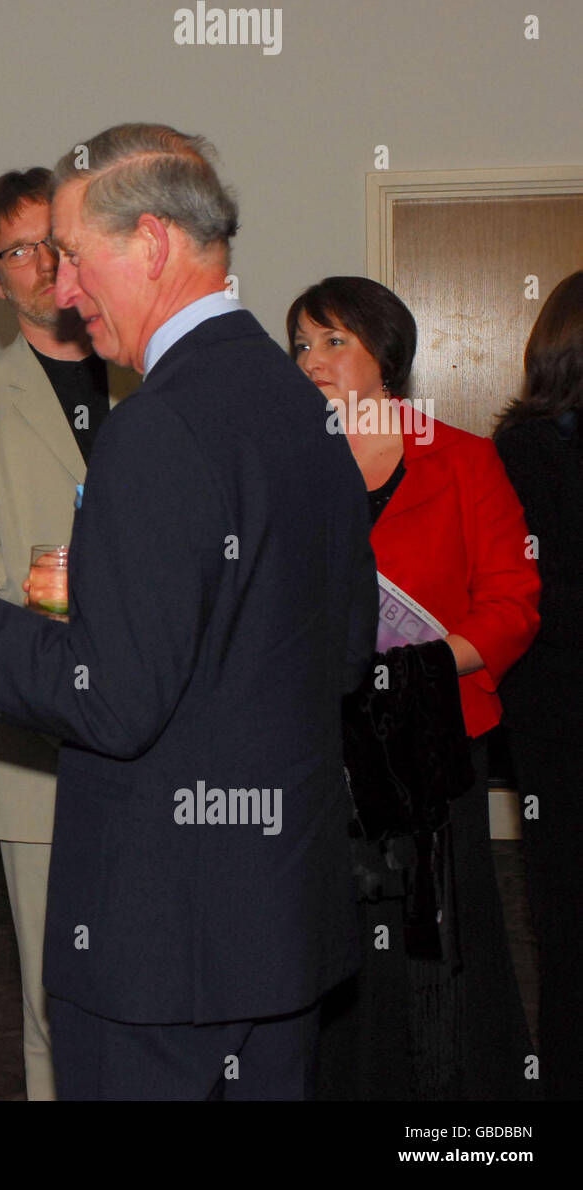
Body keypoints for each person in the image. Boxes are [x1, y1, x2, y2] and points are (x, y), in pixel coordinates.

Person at [0, 123, 379, 1100]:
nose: (63, 291)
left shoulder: (153, 427)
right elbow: (339, 646)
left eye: (72, 256)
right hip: (276, 919)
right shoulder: (300, 404)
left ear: (149, 244)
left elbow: (114, 698)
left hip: (161, 943)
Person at [288, 275, 540, 1099]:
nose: (312, 360)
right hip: (320, 748)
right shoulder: (286, 467)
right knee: (334, 941)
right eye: (301, 344)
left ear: (385, 354)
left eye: (333, 342)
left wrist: (425, 662)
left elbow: (512, 604)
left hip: (433, 743)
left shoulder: (464, 460)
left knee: (438, 941)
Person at [0, 166, 137, 1100]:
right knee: (62, 1001)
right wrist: (86, 595)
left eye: (58, 239)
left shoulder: (155, 375)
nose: (47, 263)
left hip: (175, 740)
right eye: (21, 250)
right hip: (43, 749)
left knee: (174, 991)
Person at [494, 270, 583, 1100]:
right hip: (558, 701)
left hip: (547, 699)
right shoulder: (525, 450)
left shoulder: (520, 448)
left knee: (560, 909)